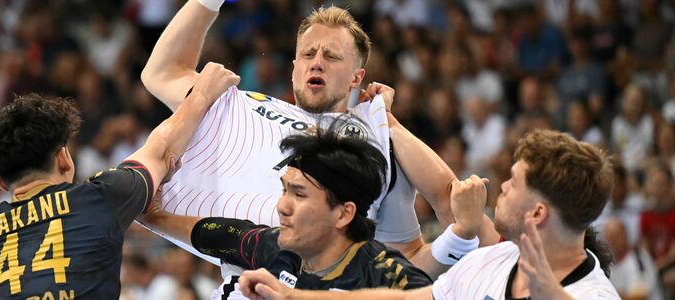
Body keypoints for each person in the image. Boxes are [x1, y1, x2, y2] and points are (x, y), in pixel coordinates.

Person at [140, 0, 472, 270]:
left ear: (357, 77)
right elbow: (161, 73)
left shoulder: (373, 145)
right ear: (294, 66)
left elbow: (410, 258)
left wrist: (459, 239)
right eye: (308, 54)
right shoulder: (241, 104)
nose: (317, 63)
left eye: (331, 57)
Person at [238, 130, 621, 300]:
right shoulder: (494, 260)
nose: (501, 186)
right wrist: (294, 297)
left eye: (514, 183)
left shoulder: (593, 294)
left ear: (538, 212)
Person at [0, 63, 240, 298]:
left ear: (0, 180)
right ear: (64, 158)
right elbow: (162, 148)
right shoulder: (98, 199)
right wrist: (203, 92)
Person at [140, 123, 488, 298]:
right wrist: (155, 217)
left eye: (300, 194)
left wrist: (464, 233)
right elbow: (217, 235)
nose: (282, 206)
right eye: (284, 190)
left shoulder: (389, 278)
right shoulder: (276, 247)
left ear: (343, 213)